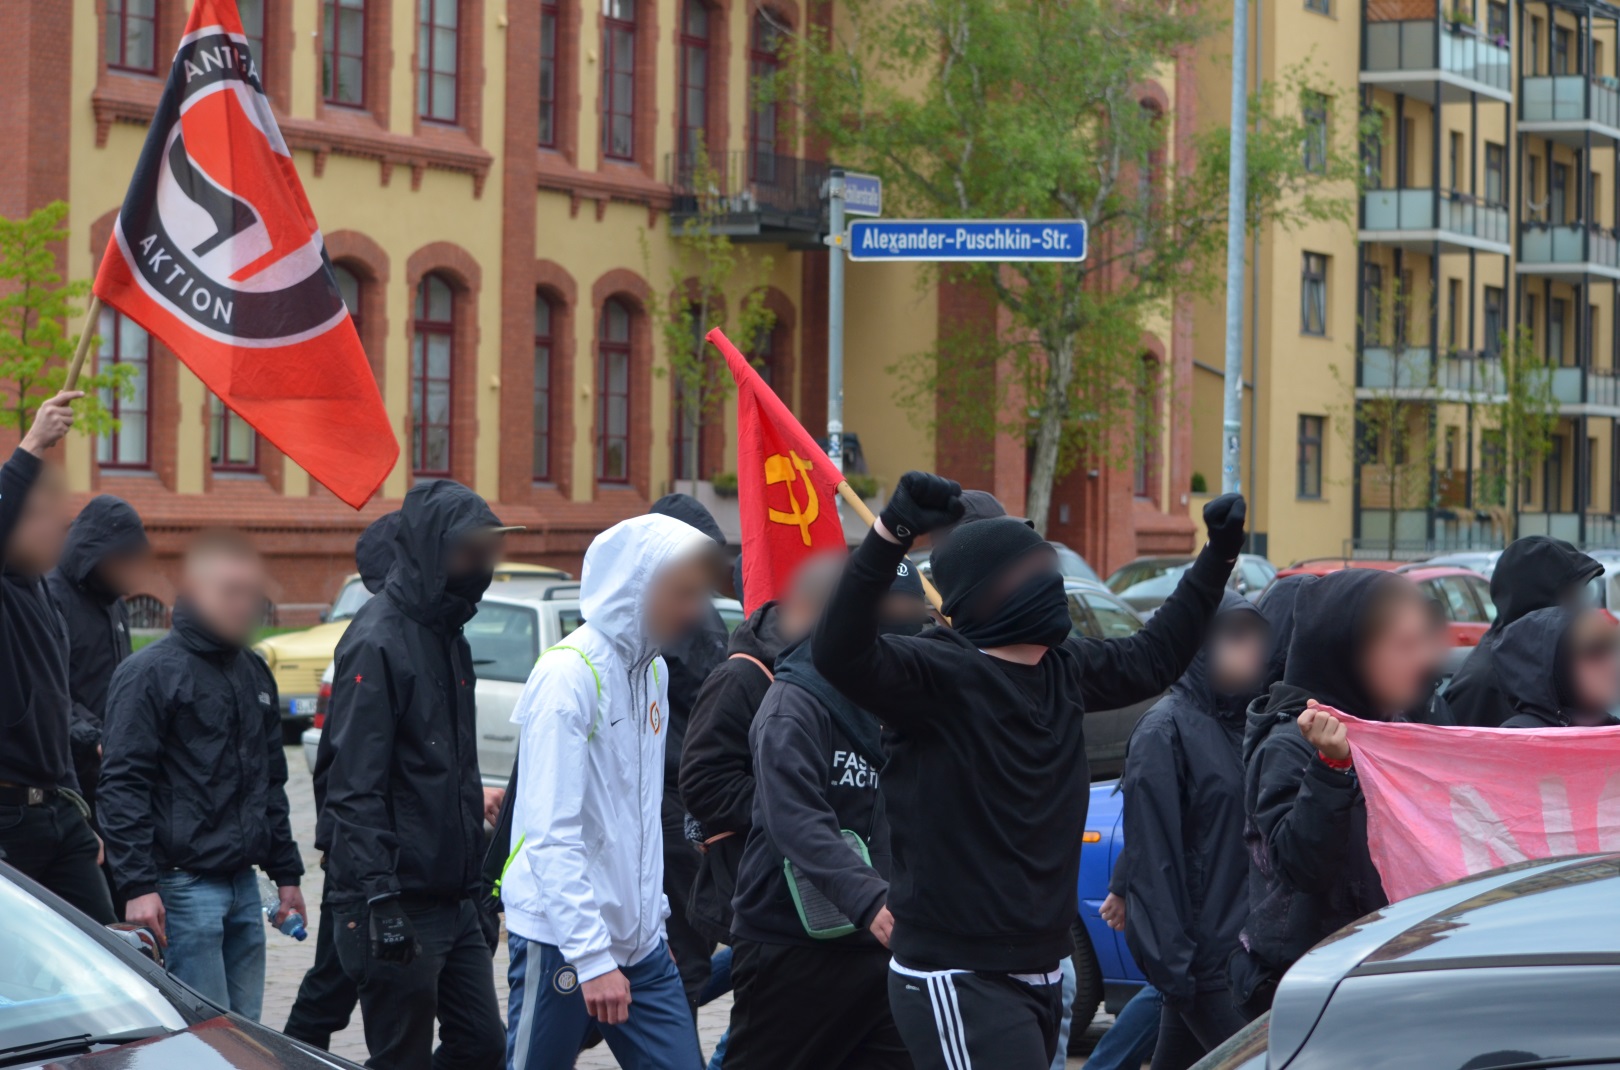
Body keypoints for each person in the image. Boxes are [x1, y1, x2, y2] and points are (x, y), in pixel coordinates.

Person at [812, 471, 1246, 1070]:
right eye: (1028, 571)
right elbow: (838, 651)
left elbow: (1153, 657)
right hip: (958, 972)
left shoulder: (1063, 669)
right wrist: (892, 531)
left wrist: (1217, 555)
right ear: (984, 595)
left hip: (1043, 967)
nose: (1047, 580)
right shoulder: (934, 675)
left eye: (1047, 565)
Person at [501, 513, 714, 1070]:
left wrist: (652, 921)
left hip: (641, 944)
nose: (695, 611)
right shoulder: (566, 676)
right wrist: (592, 958)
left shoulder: (654, 673)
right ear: (637, 588)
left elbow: (640, 817)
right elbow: (550, 833)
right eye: (682, 593)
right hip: (562, 943)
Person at [318, 480, 516, 1070]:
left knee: (482, 1045)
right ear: (432, 549)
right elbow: (352, 783)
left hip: (453, 898)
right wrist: (379, 896)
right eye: (468, 550)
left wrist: (478, 888)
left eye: (486, 551)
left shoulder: (449, 636)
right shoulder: (377, 641)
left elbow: (453, 770)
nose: (479, 565)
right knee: (399, 1056)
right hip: (394, 897)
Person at [723, 561, 931, 1070]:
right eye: (891, 615)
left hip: (887, 951)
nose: (905, 628)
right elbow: (792, 817)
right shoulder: (794, 702)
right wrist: (867, 897)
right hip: (791, 947)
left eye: (915, 615)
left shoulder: (907, 696)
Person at [99, 531, 305, 1020]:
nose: (244, 605)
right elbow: (122, 784)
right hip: (181, 891)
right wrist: (136, 885)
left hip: (243, 888)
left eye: (251, 593)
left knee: (246, 1035)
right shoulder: (149, 673)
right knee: (204, 1040)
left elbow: (270, 780)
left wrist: (288, 874)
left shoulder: (254, 671)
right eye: (229, 591)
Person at [1231, 569, 1440, 1018]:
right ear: (1346, 653)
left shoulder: (1390, 727)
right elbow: (1301, 865)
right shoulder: (1290, 742)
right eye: (1401, 646)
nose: (1423, 660)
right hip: (1309, 988)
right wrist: (1331, 766)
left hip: (1375, 972)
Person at [1120, 592, 1267, 1070]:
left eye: (1255, 637)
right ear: (1200, 645)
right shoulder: (1163, 731)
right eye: (1234, 636)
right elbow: (1153, 860)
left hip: (1242, 954)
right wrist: (1176, 971)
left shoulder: (1249, 722)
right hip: (1207, 966)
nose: (1251, 650)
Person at [680, 554, 842, 947]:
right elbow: (703, 784)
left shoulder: (842, 671)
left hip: (828, 899)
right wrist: (795, 804)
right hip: (759, 891)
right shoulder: (740, 678)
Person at [283, 511, 398, 1050]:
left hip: (379, 851)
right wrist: (344, 846)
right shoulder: (373, 639)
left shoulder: (411, 632)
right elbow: (349, 765)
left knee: (338, 983)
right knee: (333, 985)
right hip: (363, 854)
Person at [0, 391, 116, 923]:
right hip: (6, 818)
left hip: (59, 813)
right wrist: (32, 444)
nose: (57, 531)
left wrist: (76, 808)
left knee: (108, 955)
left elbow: (54, 713)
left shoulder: (42, 595)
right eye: (41, 518)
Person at [648, 493, 732, 1009]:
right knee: (689, 956)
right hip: (676, 805)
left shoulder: (696, 616)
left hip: (686, 801)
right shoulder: (683, 624)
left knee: (695, 951)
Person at [46, 494, 149, 823]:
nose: (131, 568)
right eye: (124, 558)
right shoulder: (51, 598)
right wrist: (94, 738)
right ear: (96, 553)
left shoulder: (116, 605)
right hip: (67, 773)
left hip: (114, 770)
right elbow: (49, 690)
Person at [1443, 537, 1601, 727]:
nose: (1581, 608)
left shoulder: (1545, 661)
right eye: (1571, 597)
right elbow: (1461, 753)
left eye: (1581, 595)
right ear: (1535, 603)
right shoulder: (1484, 681)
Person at [1494, 606, 1620, 728]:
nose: (1613, 663)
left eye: (1613, 647)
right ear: (1556, 666)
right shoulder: (1519, 738)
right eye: (1595, 651)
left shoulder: (1604, 724)